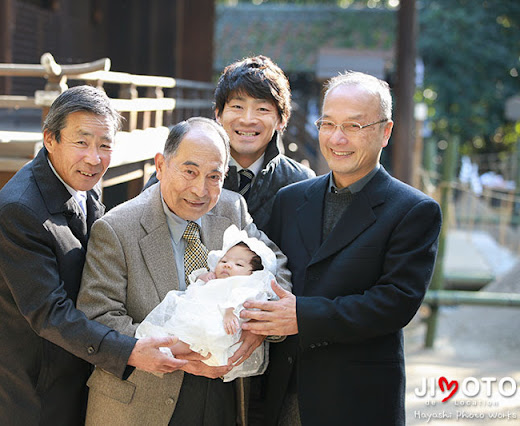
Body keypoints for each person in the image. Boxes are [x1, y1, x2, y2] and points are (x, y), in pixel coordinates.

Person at [0, 85, 186, 426]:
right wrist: (130, 351)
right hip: (26, 392)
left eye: (105, 145)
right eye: (81, 142)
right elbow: (50, 314)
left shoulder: (81, 180)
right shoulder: (19, 212)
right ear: (50, 139)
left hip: (74, 375)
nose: (94, 158)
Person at [240, 71, 443, 425]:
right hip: (281, 393)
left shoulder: (412, 210)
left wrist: (302, 316)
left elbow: (395, 303)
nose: (337, 138)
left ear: (385, 131)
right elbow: (267, 273)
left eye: (353, 126)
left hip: (356, 398)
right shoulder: (291, 200)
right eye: (328, 123)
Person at [76, 117, 292, 425]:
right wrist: (178, 352)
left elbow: (274, 265)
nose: (200, 189)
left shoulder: (233, 209)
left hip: (221, 395)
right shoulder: (116, 227)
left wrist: (256, 326)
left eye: (214, 176)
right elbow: (96, 317)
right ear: (161, 165)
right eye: (189, 171)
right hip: (142, 399)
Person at [145, 55, 315, 233]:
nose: (247, 120)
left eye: (262, 109)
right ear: (218, 114)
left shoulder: (301, 183)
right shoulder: (175, 169)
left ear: (282, 119)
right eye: (237, 107)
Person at [135, 225, 279, 383]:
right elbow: (195, 288)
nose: (228, 265)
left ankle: (169, 350)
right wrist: (202, 278)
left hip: (217, 323)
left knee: (191, 339)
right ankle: (163, 346)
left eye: (239, 265)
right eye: (224, 260)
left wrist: (230, 312)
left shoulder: (245, 285)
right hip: (196, 314)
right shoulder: (215, 280)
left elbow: (240, 300)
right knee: (179, 331)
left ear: (252, 274)